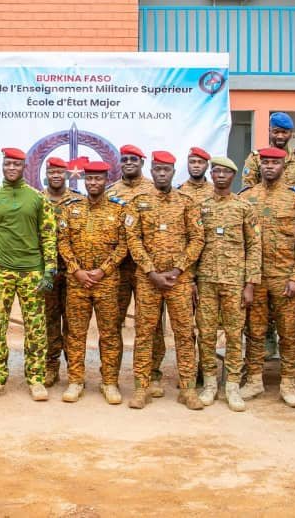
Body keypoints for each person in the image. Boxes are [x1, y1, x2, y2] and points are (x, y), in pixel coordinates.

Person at [0, 147, 57, 402]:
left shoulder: (38, 199)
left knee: (36, 328)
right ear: (2, 166)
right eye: (7, 164)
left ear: (24, 168)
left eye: (16, 165)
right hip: (1, 271)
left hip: (32, 272)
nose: (11, 168)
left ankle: (36, 379)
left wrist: (50, 270)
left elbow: (49, 235)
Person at [123, 150, 205, 410]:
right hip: (148, 280)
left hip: (178, 281)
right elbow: (132, 239)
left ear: (172, 171)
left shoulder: (186, 201)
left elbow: (197, 238)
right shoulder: (138, 201)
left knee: (183, 333)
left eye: (166, 169)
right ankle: (141, 388)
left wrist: (178, 269)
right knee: (145, 334)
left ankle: (188, 389)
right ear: (152, 170)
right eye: (157, 169)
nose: (161, 173)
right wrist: (151, 272)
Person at [239, 147, 295, 407]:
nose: (269, 167)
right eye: (265, 163)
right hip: (255, 278)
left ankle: (288, 382)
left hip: (285, 278)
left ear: (283, 166)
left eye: (274, 162)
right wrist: (247, 278)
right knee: (255, 331)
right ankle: (255, 380)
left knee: (289, 332)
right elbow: (242, 242)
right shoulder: (247, 198)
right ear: (259, 166)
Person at [57, 161, 127, 404]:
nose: (94, 183)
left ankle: (109, 382)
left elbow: (124, 246)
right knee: (76, 333)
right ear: (84, 181)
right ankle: (76, 381)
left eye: (98, 179)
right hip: (77, 283)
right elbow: (62, 242)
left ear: (106, 180)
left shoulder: (119, 210)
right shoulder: (71, 208)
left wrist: (103, 270)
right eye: (90, 179)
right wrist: (76, 271)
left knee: (109, 334)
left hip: (106, 283)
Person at [195, 156, 261, 412]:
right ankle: (210, 383)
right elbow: (194, 243)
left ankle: (232, 384)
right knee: (207, 333)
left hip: (235, 281)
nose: (220, 175)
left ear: (233, 176)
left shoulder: (244, 207)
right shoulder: (201, 206)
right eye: (216, 171)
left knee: (235, 335)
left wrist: (250, 284)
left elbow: (254, 246)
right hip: (206, 280)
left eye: (225, 172)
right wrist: (191, 280)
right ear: (211, 175)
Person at [107, 144, 167, 394]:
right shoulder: (111, 191)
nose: (128, 163)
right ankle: (112, 377)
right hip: (119, 269)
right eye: (124, 159)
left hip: (149, 270)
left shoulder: (154, 190)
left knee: (151, 324)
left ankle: (152, 373)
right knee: (113, 323)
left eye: (134, 159)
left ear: (142, 163)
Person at [42, 156, 82, 387]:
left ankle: (74, 370)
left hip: (72, 271)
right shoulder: (38, 200)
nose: (56, 175)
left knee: (73, 322)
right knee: (49, 321)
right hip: (46, 271)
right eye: (52, 172)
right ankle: (50, 367)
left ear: (66, 174)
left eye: (60, 172)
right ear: (46, 174)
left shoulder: (78, 201)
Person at [241, 112, 295, 202]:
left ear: (291, 133)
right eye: (276, 132)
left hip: (293, 210)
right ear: (269, 131)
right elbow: (248, 189)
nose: (280, 136)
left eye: (284, 132)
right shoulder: (255, 158)